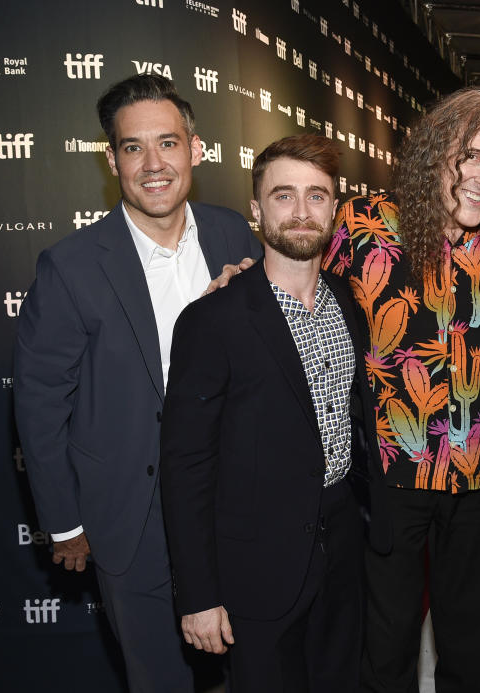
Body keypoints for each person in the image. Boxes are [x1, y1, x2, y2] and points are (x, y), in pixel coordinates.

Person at [13, 73, 260, 692]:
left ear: (195, 149)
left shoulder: (233, 235)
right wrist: (64, 521)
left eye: (168, 144)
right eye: (133, 147)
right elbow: (41, 401)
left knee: (251, 666)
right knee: (159, 678)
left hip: (234, 497)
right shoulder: (71, 265)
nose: (153, 164)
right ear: (111, 159)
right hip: (133, 511)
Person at [321, 86, 480, 692]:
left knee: (471, 645)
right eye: (471, 155)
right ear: (434, 152)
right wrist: (240, 277)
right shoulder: (366, 223)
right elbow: (304, 300)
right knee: (385, 642)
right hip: (389, 469)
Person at [159, 134, 391, 692]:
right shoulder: (212, 319)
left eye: (317, 196)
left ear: (334, 210)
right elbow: (185, 466)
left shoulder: (350, 302)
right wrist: (198, 596)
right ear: (257, 210)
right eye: (284, 196)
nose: (302, 210)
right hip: (254, 566)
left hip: (343, 547)